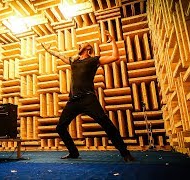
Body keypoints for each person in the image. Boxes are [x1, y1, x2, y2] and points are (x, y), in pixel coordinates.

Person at [41, 30, 135, 162]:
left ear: (88, 48)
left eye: (83, 44)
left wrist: (113, 40)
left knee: (107, 125)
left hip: (88, 99)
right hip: (73, 100)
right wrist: (48, 50)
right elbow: (59, 55)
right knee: (60, 127)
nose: (80, 45)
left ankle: (125, 154)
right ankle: (73, 153)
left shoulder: (94, 60)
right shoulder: (73, 61)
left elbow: (115, 57)